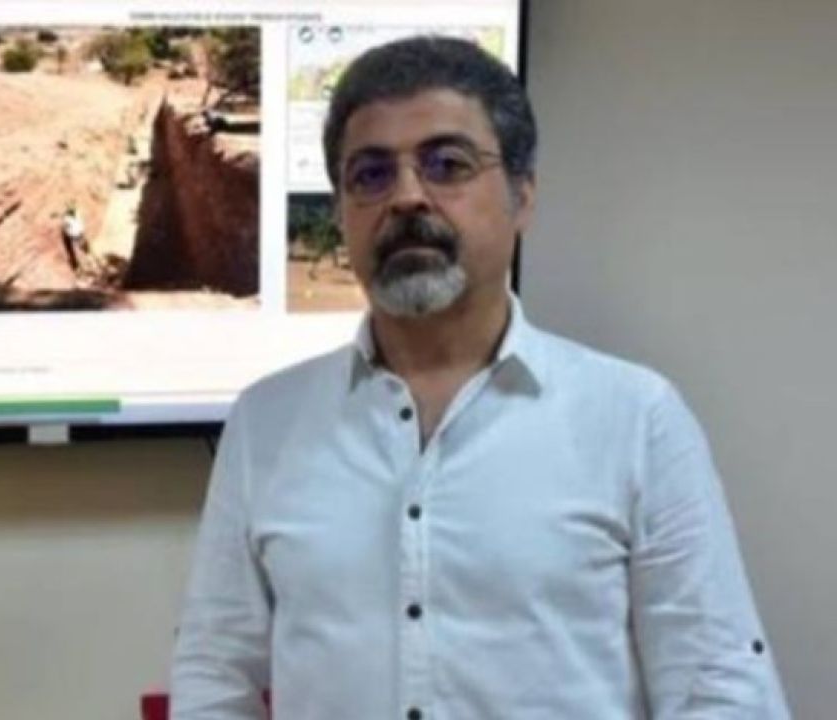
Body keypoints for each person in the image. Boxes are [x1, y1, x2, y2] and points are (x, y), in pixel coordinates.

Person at [170, 36, 790, 720]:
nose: (407, 196)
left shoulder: (635, 418)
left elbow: (720, 687)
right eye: (371, 175)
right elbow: (214, 675)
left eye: (447, 165)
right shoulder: (266, 423)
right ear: (342, 212)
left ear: (523, 196)